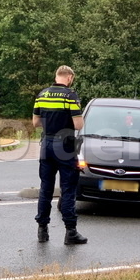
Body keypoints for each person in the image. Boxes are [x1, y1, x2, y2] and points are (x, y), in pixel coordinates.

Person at [32, 65, 88, 245]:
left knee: (45, 188)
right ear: (70, 77)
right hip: (65, 146)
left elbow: (35, 123)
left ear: (57, 76)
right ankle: (70, 233)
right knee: (68, 188)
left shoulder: (42, 95)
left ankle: (42, 231)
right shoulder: (71, 96)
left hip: (46, 144)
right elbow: (78, 125)